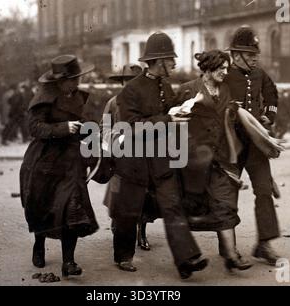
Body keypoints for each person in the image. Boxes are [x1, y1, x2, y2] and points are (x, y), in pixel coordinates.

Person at [114, 32, 207, 279]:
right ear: (158, 61)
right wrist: (168, 118)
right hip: (134, 159)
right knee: (129, 209)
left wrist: (185, 105)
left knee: (172, 205)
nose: (174, 64)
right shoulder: (131, 90)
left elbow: (169, 108)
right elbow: (131, 126)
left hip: (161, 158)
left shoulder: (164, 85)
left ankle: (186, 259)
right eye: (170, 59)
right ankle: (123, 256)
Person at [20, 55, 99, 277]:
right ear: (60, 81)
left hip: (71, 161)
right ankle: (39, 244)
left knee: (71, 207)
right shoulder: (43, 98)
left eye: (78, 78)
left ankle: (69, 262)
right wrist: (63, 127)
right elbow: (35, 128)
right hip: (45, 160)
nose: (77, 83)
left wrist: (89, 131)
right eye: (73, 79)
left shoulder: (77, 96)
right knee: (42, 205)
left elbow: (82, 124)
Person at [175, 50, 253, 271]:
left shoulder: (225, 89)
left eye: (227, 69)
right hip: (193, 163)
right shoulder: (187, 90)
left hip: (220, 160)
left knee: (225, 204)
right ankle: (185, 259)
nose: (225, 72)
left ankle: (231, 254)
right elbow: (173, 120)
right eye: (221, 69)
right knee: (189, 211)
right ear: (208, 70)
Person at [224, 26, 281, 265]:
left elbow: (272, 94)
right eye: (249, 55)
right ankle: (228, 247)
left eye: (255, 54)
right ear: (235, 55)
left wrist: (269, 115)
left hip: (256, 144)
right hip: (232, 144)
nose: (254, 58)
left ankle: (264, 244)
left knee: (264, 191)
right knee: (228, 195)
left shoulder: (259, 74)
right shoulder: (224, 76)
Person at [101, 64, 159, 252]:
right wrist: (113, 145)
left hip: (144, 154)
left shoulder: (147, 102)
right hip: (122, 156)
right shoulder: (113, 103)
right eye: (127, 81)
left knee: (145, 198)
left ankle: (141, 232)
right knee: (119, 197)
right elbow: (104, 128)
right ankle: (119, 227)